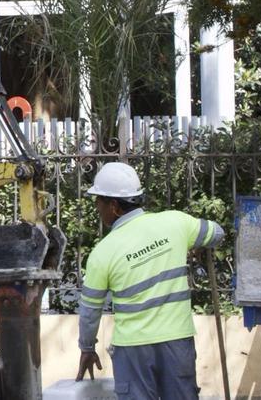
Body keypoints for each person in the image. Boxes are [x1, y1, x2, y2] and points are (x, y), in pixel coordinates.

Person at [75, 162, 225, 399]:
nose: (97, 208)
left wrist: (87, 348)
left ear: (113, 206)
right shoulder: (175, 222)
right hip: (177, 343)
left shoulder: (102, 253)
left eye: (99, 202)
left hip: (133, 350)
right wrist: (195, 244)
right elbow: (216, 233)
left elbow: (90, 310)